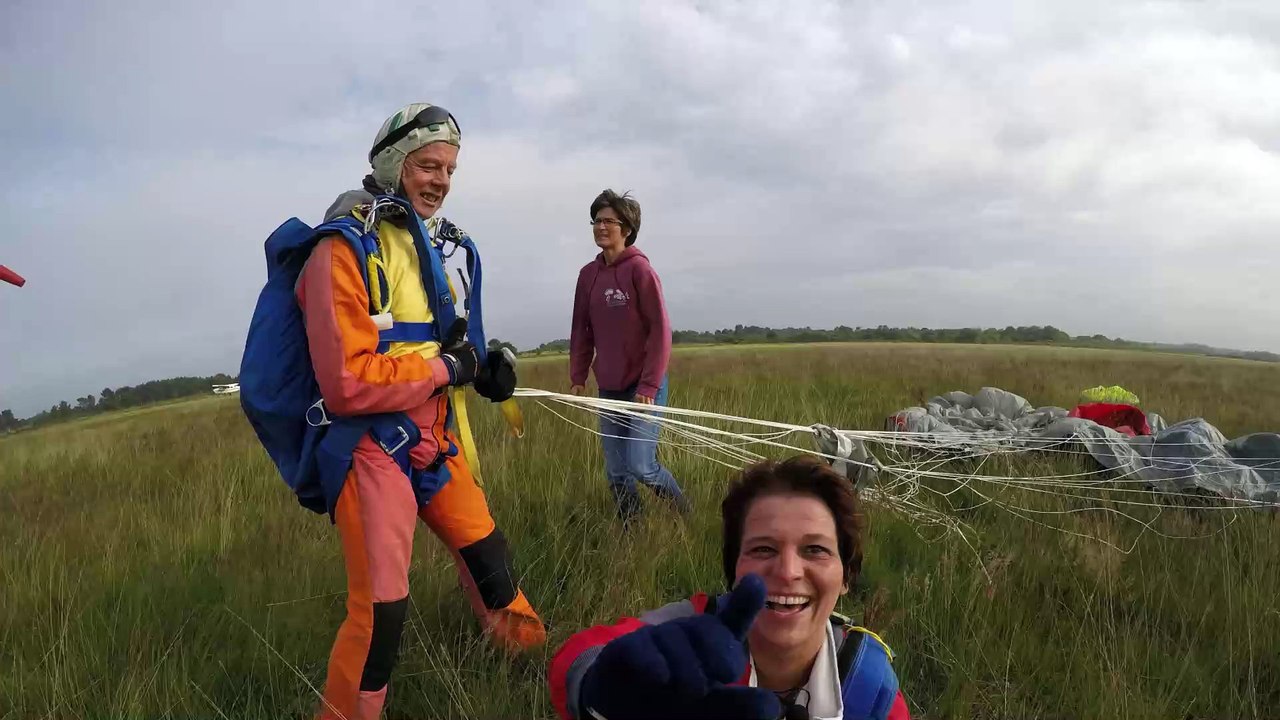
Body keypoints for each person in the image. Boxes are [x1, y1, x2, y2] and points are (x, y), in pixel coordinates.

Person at [298, 103, 546, 720]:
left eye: (450, 170)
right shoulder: (342, 248)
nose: (440, 180)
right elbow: (347, 382)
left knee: (491, 562)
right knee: (381, 612)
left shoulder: (430, 244)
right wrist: (446, 371)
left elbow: (444, 342)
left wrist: (482, 371)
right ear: (392, 162)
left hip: (435, 441)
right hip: (370, 449)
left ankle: (538, 676)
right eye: (427, 165)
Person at [548, 455, 911, 720]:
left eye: (814, 550)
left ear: (846, 576)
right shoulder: (688, 631)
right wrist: (604, 689)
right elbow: (575, 659)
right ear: (734, 569)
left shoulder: (871, 690)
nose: (787, 571)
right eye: (762, 549)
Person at [569, 189, 690, 524]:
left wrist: (649, 386)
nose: (601, 227)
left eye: (609, 221)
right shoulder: (587, 276)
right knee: (616, 473)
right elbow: (581, 329)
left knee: (641, 466)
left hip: (643, 389)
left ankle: (684, 514)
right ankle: (631, 530)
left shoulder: (640, 271)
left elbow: (661, 331)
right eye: (597, 220)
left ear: (626, 229)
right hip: (609, 387)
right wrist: (578, 376)